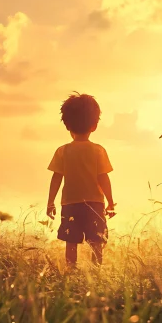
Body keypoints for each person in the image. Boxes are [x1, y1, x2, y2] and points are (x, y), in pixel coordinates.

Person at [46, 92, 116, 268]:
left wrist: (50, 202)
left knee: (71, 241)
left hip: (70, 204)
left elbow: (56, 178)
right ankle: (96, 271)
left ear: (67, 125)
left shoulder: (62, 151)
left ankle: (71, 271)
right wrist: (110, 202)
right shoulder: (98, 150)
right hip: (95, 204)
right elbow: (103, 177)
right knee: (96, 241)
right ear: (94, 126)